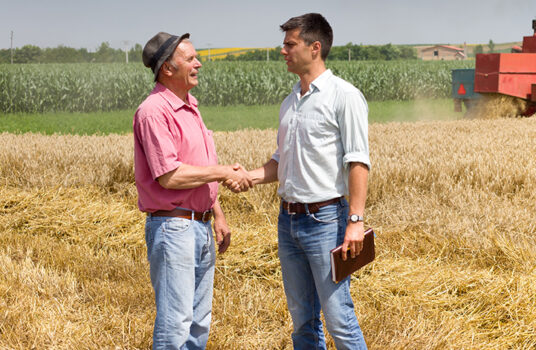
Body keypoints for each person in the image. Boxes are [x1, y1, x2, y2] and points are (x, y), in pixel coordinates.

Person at [241, 13, 370, 349]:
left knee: (339, 320)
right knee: (302, 323)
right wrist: (249, 177)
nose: (283, 51)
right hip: (288, 221)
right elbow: (281, 161)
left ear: (315, 48)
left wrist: (355, 222)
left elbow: (358, 161)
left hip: (326, 221)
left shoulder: (344, 96)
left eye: (289, 44)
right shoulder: (289, 103)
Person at [133, 31, 252, 349]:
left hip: (199, 226)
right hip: (174, 228)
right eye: (190, 59)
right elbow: (170, 176)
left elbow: (198, 165)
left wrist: (217, 212)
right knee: (175, 325)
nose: (198, 63)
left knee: (198, 325)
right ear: (168, 69)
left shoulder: (190, 107)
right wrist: (225, 171)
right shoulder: (154, 111)